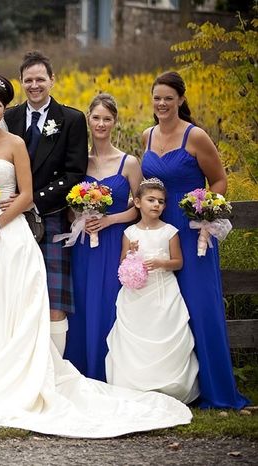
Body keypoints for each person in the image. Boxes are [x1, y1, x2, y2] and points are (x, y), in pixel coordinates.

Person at [0, 74, 192, 438]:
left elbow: (26, 195)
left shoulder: (15, 144)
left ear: (3, 109)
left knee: (7, 309)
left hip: (9, 239)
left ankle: (11, 381)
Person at [141, 71, 249, 409]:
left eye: (168, 98)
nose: (161, 104)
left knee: (199, 307)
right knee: (164, 308)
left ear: (180, 100)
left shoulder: (196, 136)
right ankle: (173, 385)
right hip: (158, 233)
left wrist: (204, 213)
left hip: (192, 232)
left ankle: (215, 389)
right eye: (157, 97)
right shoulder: (146, 136)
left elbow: (219, 180)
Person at [3, 51, 88, 355]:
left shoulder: (72, 119)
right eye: (29, 80)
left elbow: (75, 172)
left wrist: (32, 200)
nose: (34, 85)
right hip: (12, 220)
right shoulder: (8, 117)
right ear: (21, 82)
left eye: (41, 79)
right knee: (16, 297)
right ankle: (21, 366)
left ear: (53, 80)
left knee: (55, 301)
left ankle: (57, 371)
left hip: (50, 217)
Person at [65, 93, 142, 381]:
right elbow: (68, 209)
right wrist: (80, 219)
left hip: (114, 245)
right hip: (83, 246)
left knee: (110, 302)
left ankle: (111, 372)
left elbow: (140, 207)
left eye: (106, 118)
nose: (100, 123)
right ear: (89, 119)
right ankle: (79, 371)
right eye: (96, 117)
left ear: (114, 122)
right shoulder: (78, 163)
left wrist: (110, 219)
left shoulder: (129, 163)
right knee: (82, 304)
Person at [105, 178, 199, 403]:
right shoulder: (129, 233)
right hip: (137, 294)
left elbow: (178, 262)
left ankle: (170, 386)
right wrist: (132, 255)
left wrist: (161, 263)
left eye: (161, 201)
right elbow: (122, 265)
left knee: (164, 331)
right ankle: (134, 385)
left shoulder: (170, 231)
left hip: (163, 291)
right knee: (137, 337)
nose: (156, 205)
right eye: (151, 200)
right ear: (137, 202)